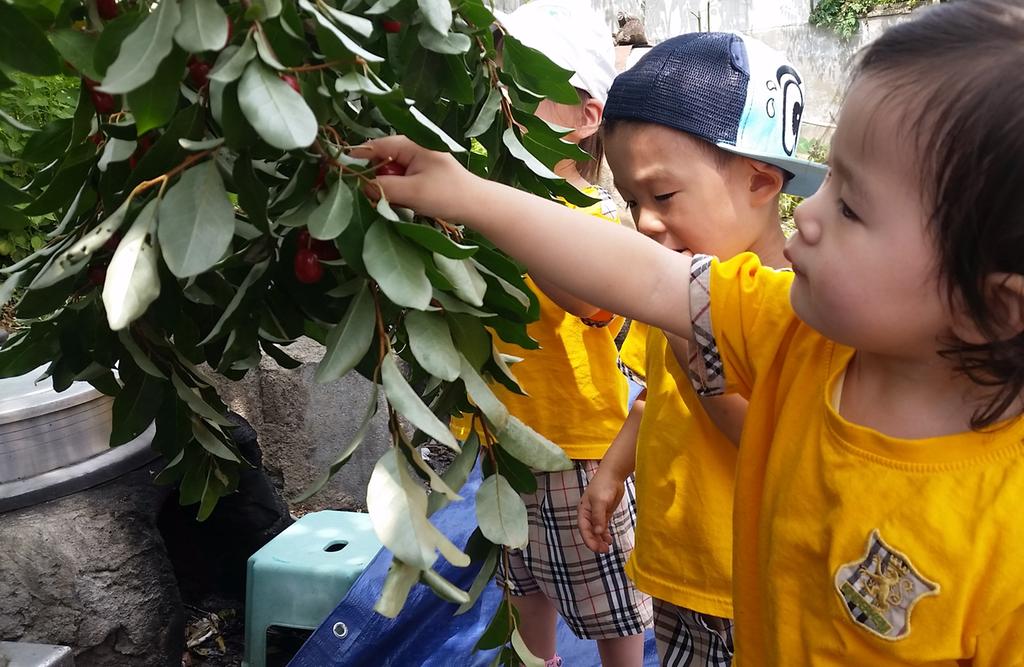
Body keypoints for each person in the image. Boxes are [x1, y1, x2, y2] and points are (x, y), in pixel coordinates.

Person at [358, 1, 1024, 662]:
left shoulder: (1005, 526)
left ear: (991, 306)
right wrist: (464, 193)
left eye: (850, 205)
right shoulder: (790, 330)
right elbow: (642, 275)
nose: (808, 213)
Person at [574, 33, 824, 667]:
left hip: (744, 582)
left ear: (761, 181)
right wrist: (612, 470)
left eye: (663, 197)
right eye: (632, 201)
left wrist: (695, 347)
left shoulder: (792, 309)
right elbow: (653, 403)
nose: (645, 223)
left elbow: (767, 441)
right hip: (678, 566)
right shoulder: (681, 281)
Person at [450, 2, 652, 665]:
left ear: (586, 116)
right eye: (501, 78)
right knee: (523, 580)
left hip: (577, 446)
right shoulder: (489, 199)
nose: (505, 95)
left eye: (529, 85)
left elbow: (593, 300)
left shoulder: (591, 217)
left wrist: (502, 215)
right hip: (504, 442)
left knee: (611, 600)